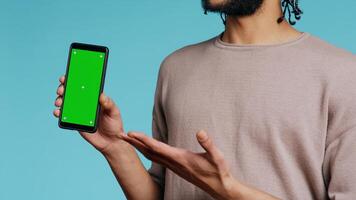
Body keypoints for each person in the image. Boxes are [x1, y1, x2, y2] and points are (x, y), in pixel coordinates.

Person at [53, 0, 356, 199]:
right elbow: (162, 193)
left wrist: (226, 188)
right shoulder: (176, 68)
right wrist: (115, 147)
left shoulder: (342, 74)